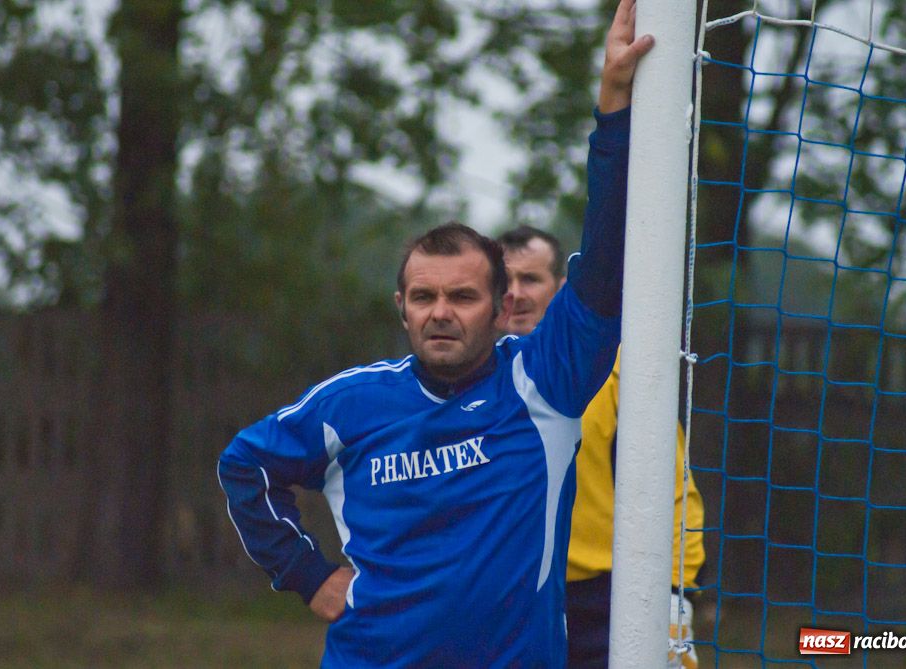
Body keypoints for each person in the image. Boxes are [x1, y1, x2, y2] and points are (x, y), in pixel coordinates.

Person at [217, 2, 654, 666]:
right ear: (402, 307)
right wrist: (307, 573)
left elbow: (605, 257)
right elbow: (245, 464)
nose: (440, 311)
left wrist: (614, 103)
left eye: (461, 295)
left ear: (503, 304)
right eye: (423, 296)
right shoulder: (350, 403)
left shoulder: (545, 381)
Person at [498, 225, 706, 669]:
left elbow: (671, 486)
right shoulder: (466, 376)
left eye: (530, 279)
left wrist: (675, 590)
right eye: (504, 280)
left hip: (602, 601)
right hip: (501, 599)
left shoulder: (615, 367)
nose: (515, 293)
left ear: (560, 286)